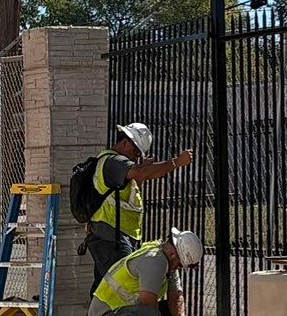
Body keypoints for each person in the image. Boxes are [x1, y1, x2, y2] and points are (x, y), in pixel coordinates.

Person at [70, 121, 196, 292]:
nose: (136, 157)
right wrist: (176, 162)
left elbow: (135, 181)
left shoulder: (117, 165)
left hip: (116, 235)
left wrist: (142, 170)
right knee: (122, 287)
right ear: (124, 142)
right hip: (112, 236)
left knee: (106, 287)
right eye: (135, 151)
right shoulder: (114, 162)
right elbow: (142, 173)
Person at [87, 225, 200, 316]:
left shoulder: (165, 257)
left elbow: (176, 296)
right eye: (178, 265)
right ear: (173, 254)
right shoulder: (155, 261)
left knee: (164, 313)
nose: (177, 268)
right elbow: (147, 303)